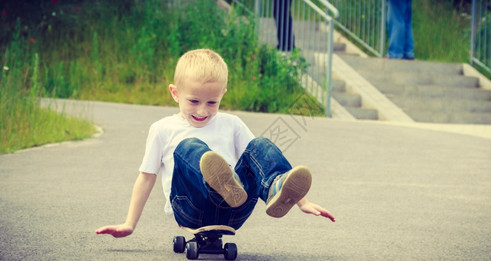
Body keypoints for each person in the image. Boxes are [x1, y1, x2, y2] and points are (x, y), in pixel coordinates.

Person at [95, 49, 335, 239]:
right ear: (175, 93)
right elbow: (146, 177)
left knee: (259, 144)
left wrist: (300, 201)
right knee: (189, 146)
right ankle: (219, 183)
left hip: (236, 210)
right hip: (191, 210)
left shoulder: (232, 125)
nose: (202, 110)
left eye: (212, 102)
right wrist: (129, 224)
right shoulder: (162, 129)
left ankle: (273, 187)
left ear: (223, 94)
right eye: (194, 101)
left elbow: (261, 160)